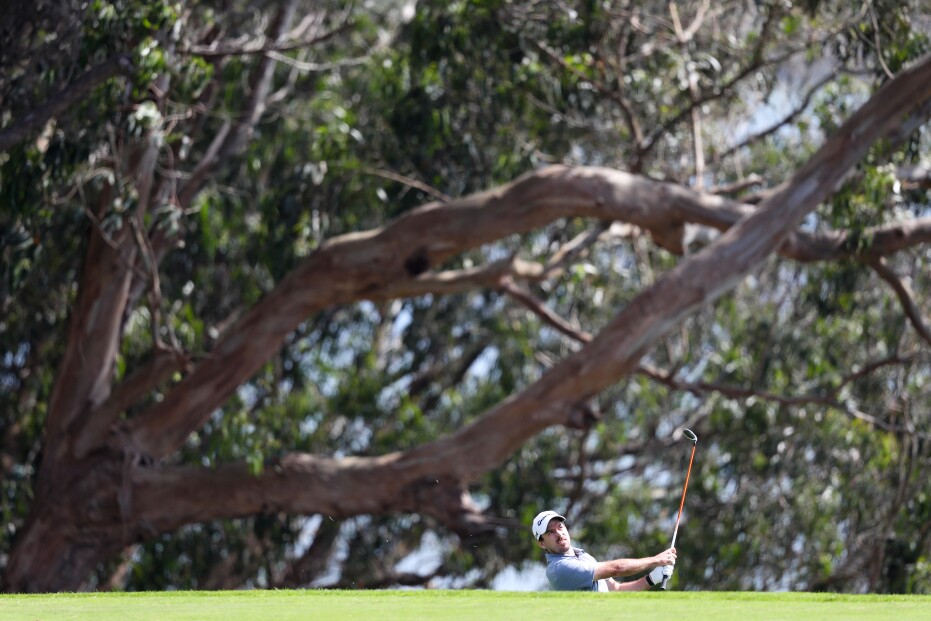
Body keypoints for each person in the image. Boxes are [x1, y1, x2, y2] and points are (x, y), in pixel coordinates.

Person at [532, 509, 676, 592]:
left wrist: (652, 578)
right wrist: (657, 559)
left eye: (560, 527)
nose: (558, 533)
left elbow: (617, 590)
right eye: (550, 532)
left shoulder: (583, 556)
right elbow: (616, 568)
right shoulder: (559, 569)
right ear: (542, 544)